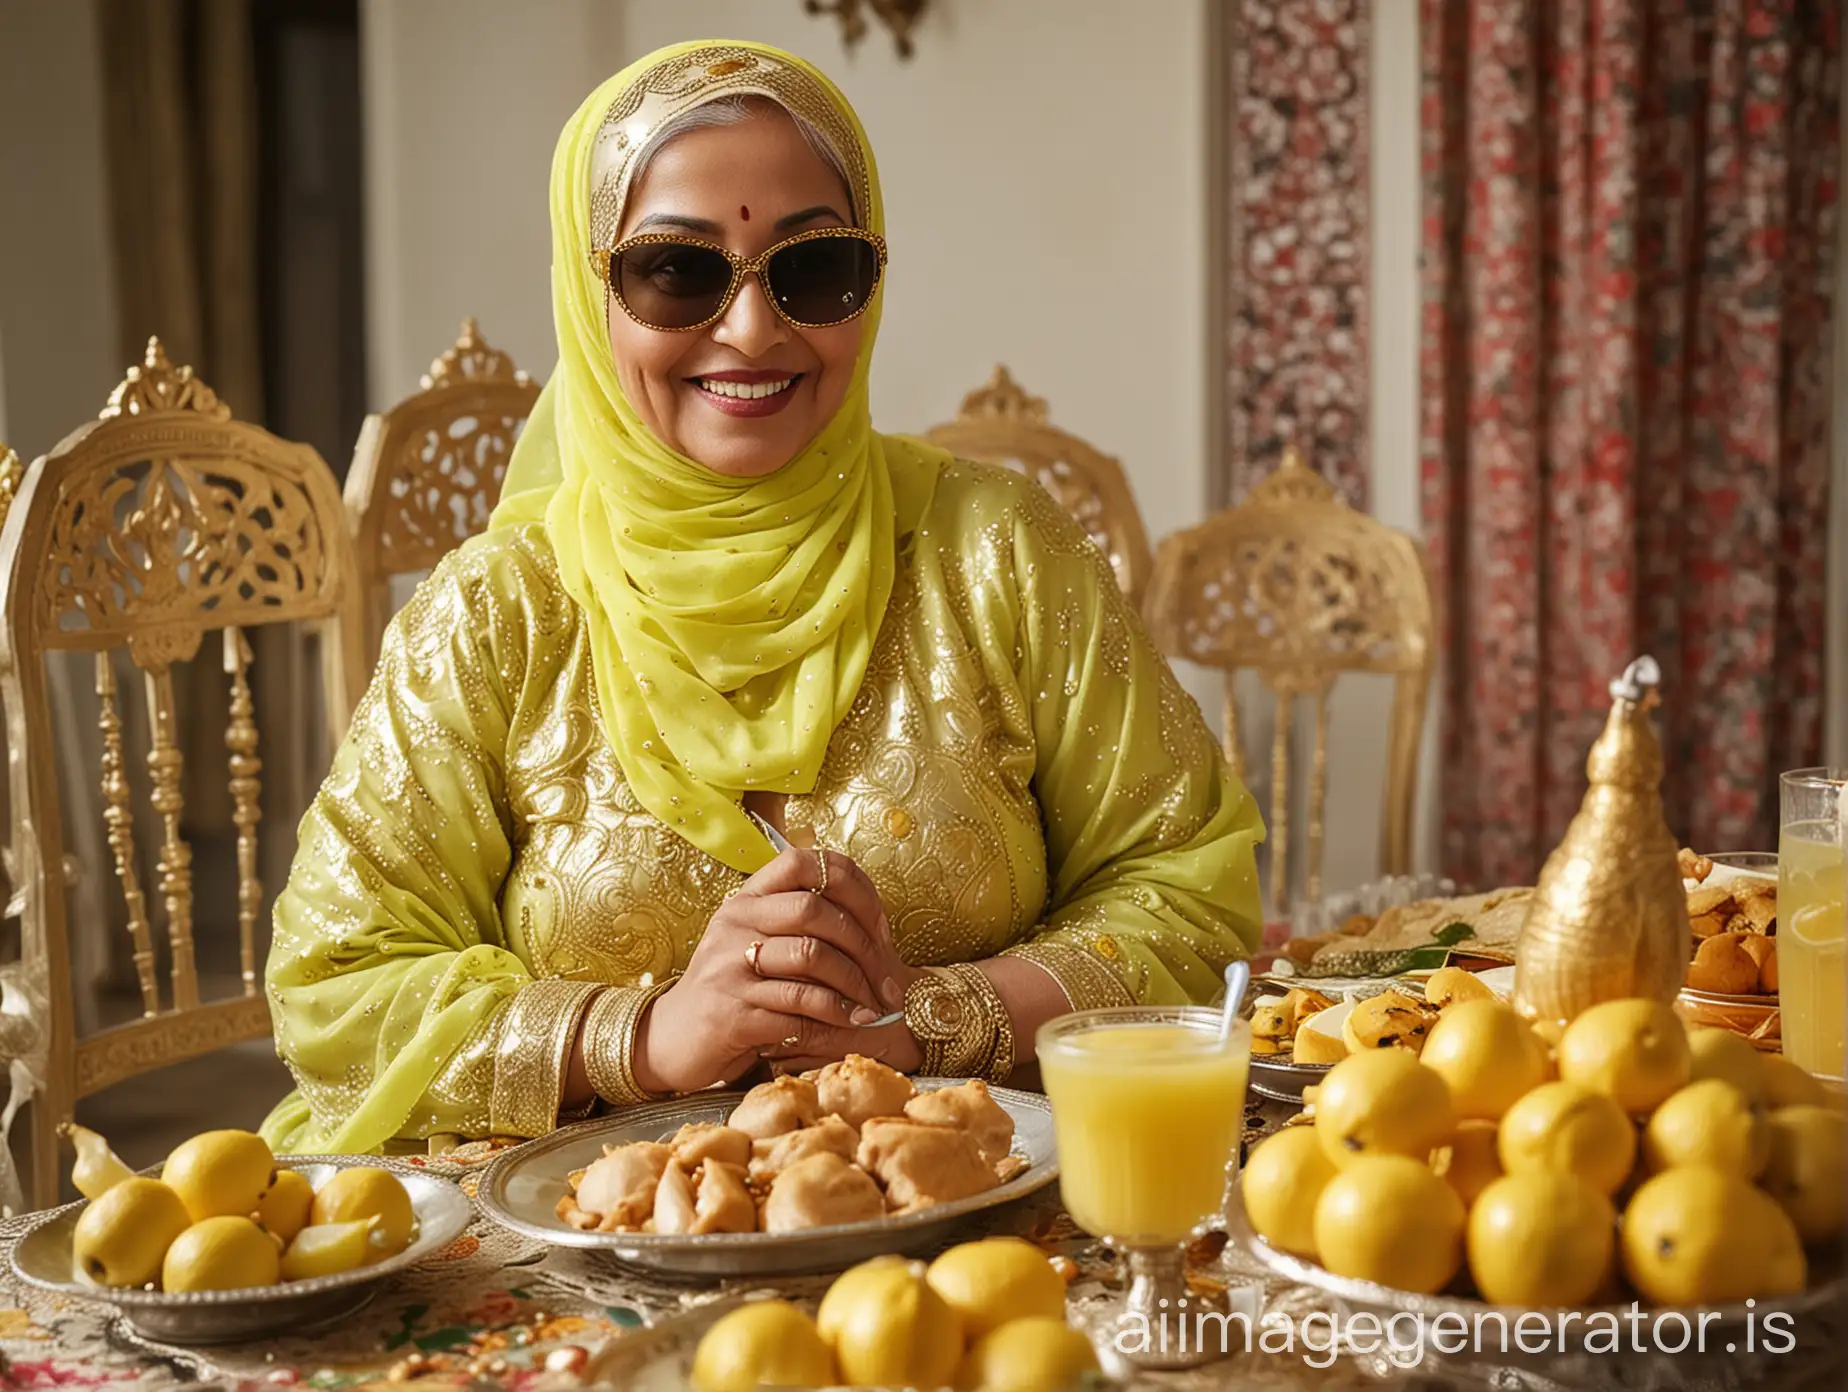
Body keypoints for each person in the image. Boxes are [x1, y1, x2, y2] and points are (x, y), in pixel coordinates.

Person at [260, 39, 1263, 1155]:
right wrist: (641, 1038)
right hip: (591, 1232)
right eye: (676, 271)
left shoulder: (996, 551)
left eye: (814, 269)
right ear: (593, 293)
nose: (751, 330)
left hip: (961, 1195)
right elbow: (338, 980)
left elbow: (1188, 886)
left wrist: (931, 1021)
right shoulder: (499, 613)